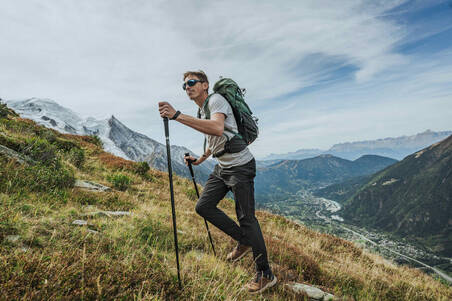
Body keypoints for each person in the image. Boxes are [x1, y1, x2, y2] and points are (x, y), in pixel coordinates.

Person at [158, 70, 277, 294]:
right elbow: (215, 139)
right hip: (223, 168)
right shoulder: (203, 109)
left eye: (191, 83)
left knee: (247, 219)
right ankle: (244, 240)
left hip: (241, 167)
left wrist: (176, 116)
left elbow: (217, 128)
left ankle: (266, 274)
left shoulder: (216, 100)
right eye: (184, 85)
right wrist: (200, 158)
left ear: (205, 85)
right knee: (203, 206)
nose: (187, 87)